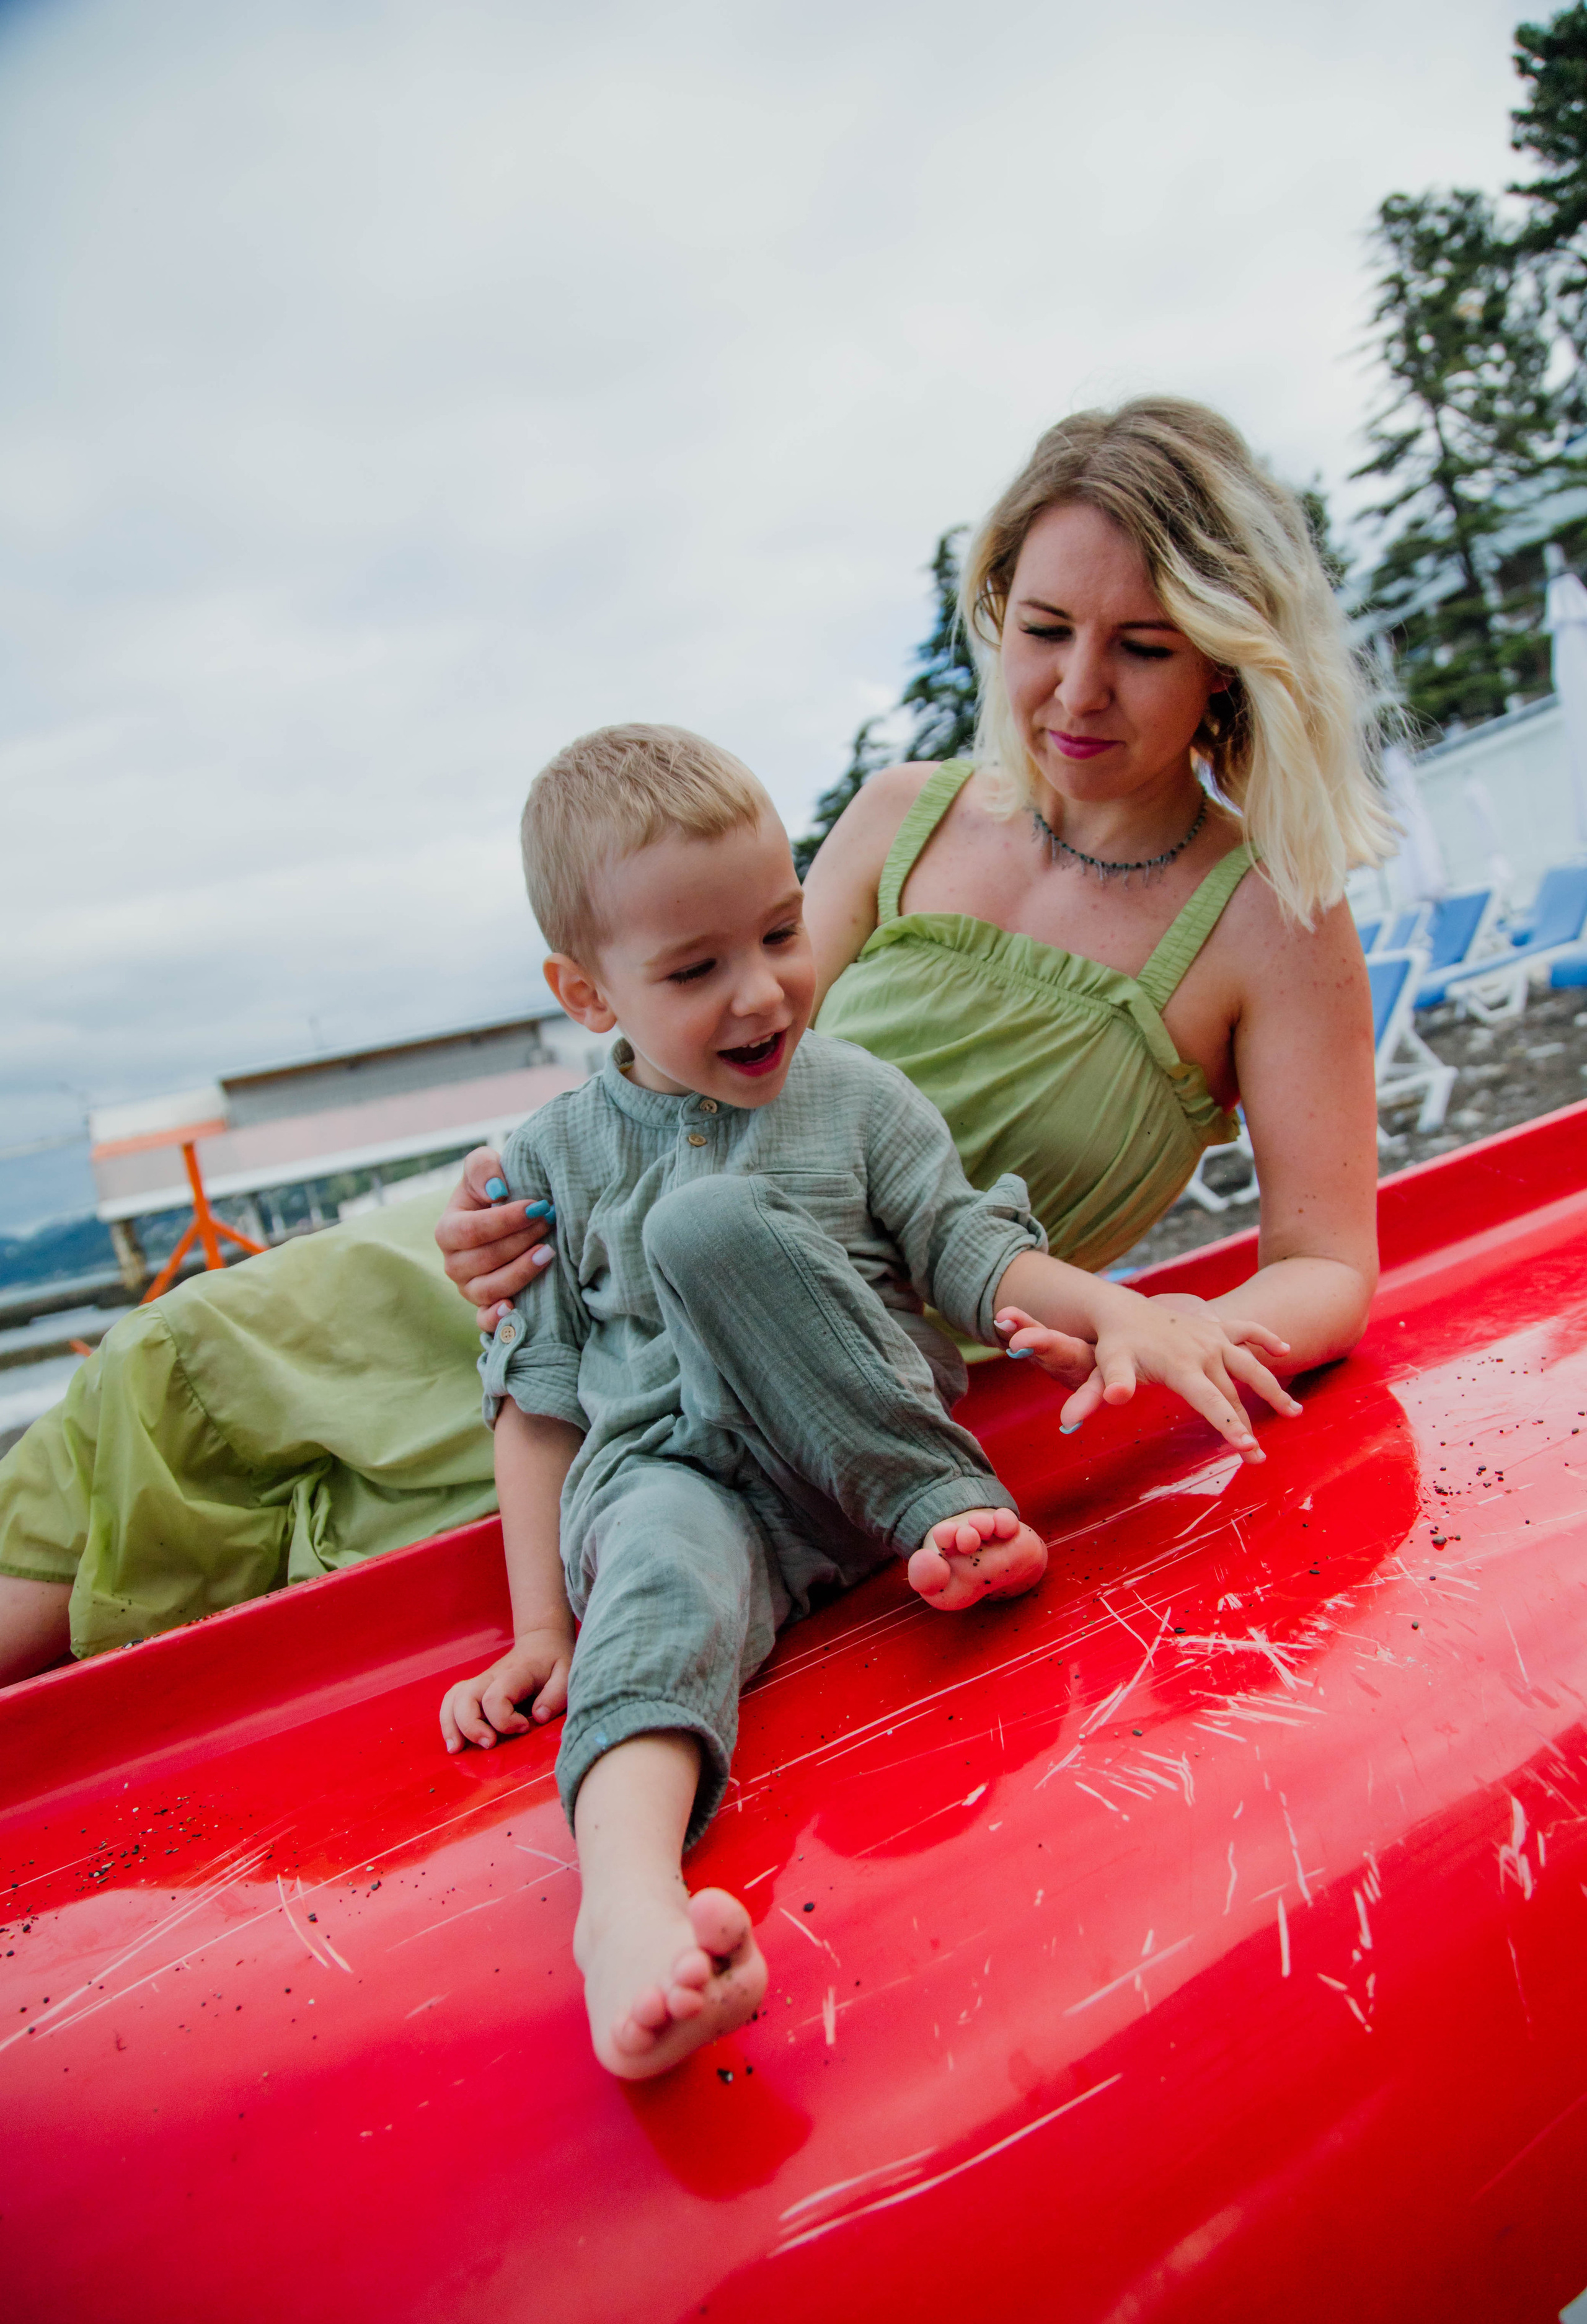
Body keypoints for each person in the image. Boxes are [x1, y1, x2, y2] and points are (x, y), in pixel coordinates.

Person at [0, 394, 1388, 1685]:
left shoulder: (1267, 915)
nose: (1076, 691)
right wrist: (497, 1210)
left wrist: (1182, 1327)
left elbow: (1324, 1262)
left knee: (313, 1518)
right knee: (180, 1361)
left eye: (1140, 648)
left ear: (1224, 657)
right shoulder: (905, 811)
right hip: (593, 1246)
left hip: (790, 1360)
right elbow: (691, 1038)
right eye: (1042, 629)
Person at [450, 721, 1296, 2078]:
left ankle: (944, 1506)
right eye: (694, 969)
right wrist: (542, 1625)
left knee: (706, 1227)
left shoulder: (853, 1095)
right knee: (655, 1584)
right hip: (679, 1485)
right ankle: (626, 1908)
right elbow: (539, 1396)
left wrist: (1123, 1306)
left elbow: (969, 1253)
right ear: (587, 992)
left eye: (779, 934)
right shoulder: (549, 1159)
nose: (760, 994)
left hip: (855, 1451)